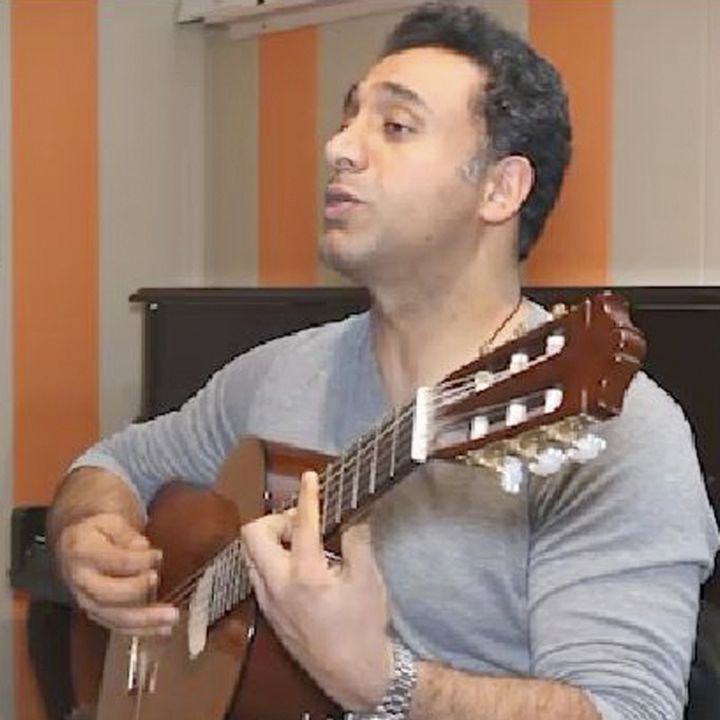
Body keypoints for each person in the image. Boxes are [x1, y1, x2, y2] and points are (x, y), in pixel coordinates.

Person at [49, 3, 719, 719]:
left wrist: (378, 679)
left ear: (500, 189)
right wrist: (87, 532)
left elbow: (625, 710)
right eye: (348, 118)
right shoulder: (276, 376)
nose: (339, 147)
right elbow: (114, 463)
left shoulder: (615, 430)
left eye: (395, 126)